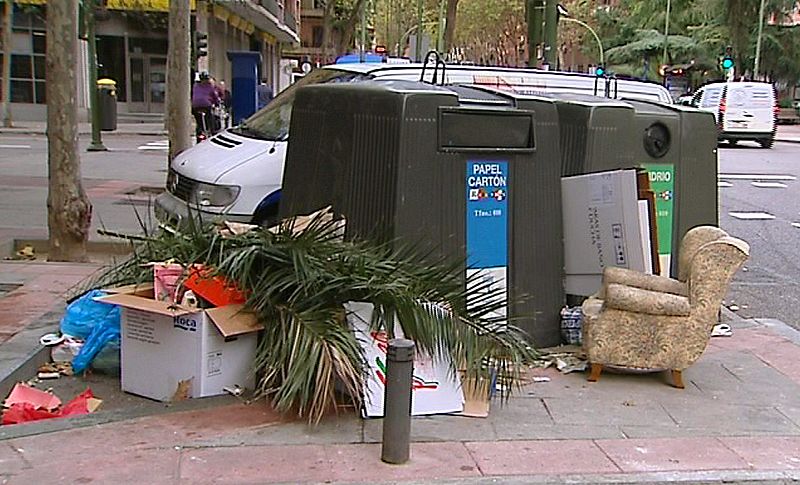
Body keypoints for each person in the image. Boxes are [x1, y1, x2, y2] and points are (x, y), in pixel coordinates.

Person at [191, 72, 220, 137]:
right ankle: (212, 132)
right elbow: (215, 96)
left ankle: (199, 132)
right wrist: (217, 103)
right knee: (210, 118)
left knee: (198, 121)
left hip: (195, 106)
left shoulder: (195, 85)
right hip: (206, 105)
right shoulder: (209, 86)